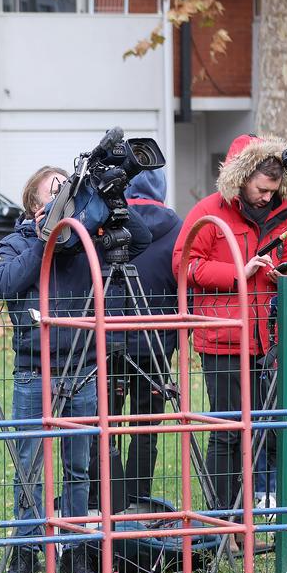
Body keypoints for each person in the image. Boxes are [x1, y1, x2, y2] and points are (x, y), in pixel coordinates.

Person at [0, 164, 150, 573]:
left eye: (68, 190)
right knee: (30, 469)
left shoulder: (88, 243)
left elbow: (144, 239)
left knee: (79, 467)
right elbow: (3, 283)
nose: (64, 196)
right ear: (34, 204)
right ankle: (26, 551)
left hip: (83, 370)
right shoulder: (16, 241)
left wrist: (109, 196)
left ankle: (76, 551)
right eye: (54, 191)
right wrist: (45, 241)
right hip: (34, 371)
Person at [174, 135, 287, 515]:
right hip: (223, 342)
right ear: (241, 176)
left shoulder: (283, 216)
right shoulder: (208, 212)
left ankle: (253, 512)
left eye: (273, 189)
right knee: (228, 434)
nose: (267, 197)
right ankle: (223, 519)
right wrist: (237, 272)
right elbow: (183, 265)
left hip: (268, 344)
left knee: (265, 433)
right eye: (261, 189)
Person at [108, 169, 183, 507]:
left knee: (104, 421)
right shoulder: (178, 227)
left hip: (108, 336)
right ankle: (138, 498)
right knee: (146, 423)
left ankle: (109, 498)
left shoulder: (109, 222)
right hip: (157, 339)